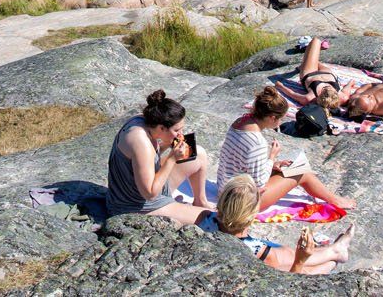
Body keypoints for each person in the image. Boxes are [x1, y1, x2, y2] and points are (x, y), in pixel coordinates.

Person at [217, 86, 354, 213]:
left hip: (225, 190)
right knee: (302, 173)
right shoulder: (257, 142)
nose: (280, 123)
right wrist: (271, 158)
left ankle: (330, 196)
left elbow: (240, 162)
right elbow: (260, 183)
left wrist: (272, 166)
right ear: (272, 117)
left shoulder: (240, 122)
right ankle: (335, 200)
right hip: (242, 203)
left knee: (288, 169)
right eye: (280, 119)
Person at [201, 174, 355, 274]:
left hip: (232, 242)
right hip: (251, 262)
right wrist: (300, 260)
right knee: (297, 267)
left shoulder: (205, 219)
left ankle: (335, 250)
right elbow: (288, 285)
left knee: (286, 252)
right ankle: (333, 259)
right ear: (253, 214)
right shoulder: (260, 252)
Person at [106, 90, 211, 224]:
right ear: (162, 128)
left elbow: (146, 160)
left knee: (197, 153)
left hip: (147, 185)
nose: (180, 134)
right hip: (135, 205)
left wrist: (167, 145)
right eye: (177, 130)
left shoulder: (143, 120)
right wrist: (172, 159)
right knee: (210, 217)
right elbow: (150, 194)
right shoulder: (141, 142)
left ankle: (200, 201)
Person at [274, 37, 357, 111]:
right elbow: (350, 84)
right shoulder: (343, 98)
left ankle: (307, 56)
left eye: (325, 90)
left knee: (315, 41)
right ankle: (309, 57)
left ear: (319, 97)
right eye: (330, 89)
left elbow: (293, 94)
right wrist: (351, 83)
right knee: (312, 57)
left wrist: (280, 86)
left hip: (310, 72)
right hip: (326, 72)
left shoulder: (309, 98)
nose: (327, 87)